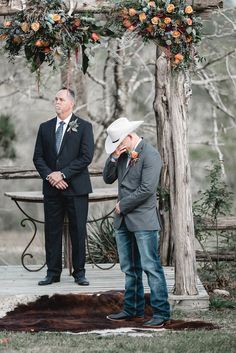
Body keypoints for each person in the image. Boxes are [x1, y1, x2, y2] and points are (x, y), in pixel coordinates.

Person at [103, 117, 170, 328]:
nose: (118, 147)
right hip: (123, 223)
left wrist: (122, 205)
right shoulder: (121, 154)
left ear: (130, 137)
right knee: (129, 268)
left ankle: (161, 313)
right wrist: (113, 157)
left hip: (143, 221)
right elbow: (107, 178)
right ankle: (132, 309)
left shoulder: (151, 155)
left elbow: (147, 190)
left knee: (151, 267)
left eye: (120, 143)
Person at [33, 87, 94, 286]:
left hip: (76, 188)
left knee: (78, 231)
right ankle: (52, 273)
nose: (56, 102)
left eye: (60, 99)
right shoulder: (44, 127)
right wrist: (51, 176)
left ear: (71, 103)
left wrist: (64, 173)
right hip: (52, 188)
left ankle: (80, 273)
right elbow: (38, 157)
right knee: (52, 231)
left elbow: (86, 157)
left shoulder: (84, 127)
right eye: (55, 99)